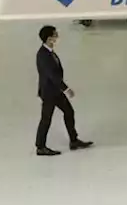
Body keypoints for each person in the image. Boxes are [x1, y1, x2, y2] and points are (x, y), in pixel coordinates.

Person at [35, 25, 92, 156]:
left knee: (69, 112)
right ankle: (40, 146)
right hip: (49, 93)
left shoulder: (49, 51)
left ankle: (74, 140)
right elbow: (52, 76)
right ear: (49, 38)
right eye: (55, 35)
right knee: (46, 119)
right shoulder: (43, 55)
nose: (57, 37)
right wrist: (66, 89)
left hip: (56, 92)